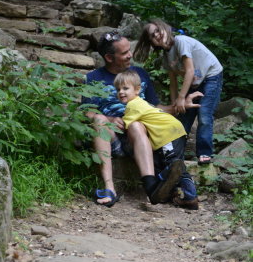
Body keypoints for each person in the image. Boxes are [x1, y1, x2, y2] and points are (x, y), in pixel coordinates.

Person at [82, 30, 202, 207]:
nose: (130, 54)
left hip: (140, 136)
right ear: (109, 57)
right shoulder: (93, 78)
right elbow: (86, 112)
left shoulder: (139, 74)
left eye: (129, 50)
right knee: (99, 120)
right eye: (124, 53)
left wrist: (180, 104)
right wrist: (108, 118)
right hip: (111, 136)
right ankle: (109, 187)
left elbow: (154, 108)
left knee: (137, 125)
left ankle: (151, 185)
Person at [134, 19, 223, 165]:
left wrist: (182, 97)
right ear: (152, 43)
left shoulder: (181, 41)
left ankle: (204, 152)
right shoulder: (166, 57)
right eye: (152, 35)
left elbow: (190, 71)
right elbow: (173, 83)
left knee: (204, 114)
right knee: (183, 117)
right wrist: (175, 104)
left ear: (165, 28)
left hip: (211, 76)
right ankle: (176, 155)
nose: (156, 35)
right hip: (196, 82)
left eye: (157, 30)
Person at [114, 69, 198, 210]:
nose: (121, 92)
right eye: (118, 89)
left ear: (137, 89)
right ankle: (189, 197)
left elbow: (125, 126)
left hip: (168, 134)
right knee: (175, 165)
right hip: (174, 131)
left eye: (125, 88)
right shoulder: (142, 103)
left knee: (174, 165)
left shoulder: (133, 105)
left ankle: (166, 182)